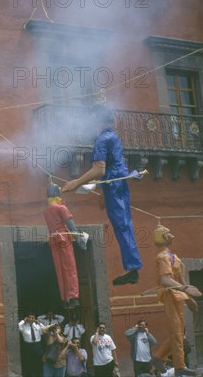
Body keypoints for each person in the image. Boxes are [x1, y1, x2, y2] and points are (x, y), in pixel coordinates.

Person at [61, 103, 142, 286]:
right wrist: (103, 194)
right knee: (125, 224)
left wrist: (75, 183)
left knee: (122, 226)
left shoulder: (102, 140)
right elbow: (113, 169)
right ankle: (132, 266)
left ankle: (133, 268)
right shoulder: (113, 137)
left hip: (114, 186)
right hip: (119, 185)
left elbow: (99, 170)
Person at [150, 225, 201, 377]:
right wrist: (186, 290)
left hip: (178, 296)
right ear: (163, 237)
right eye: (168, 233)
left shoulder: (172, 256)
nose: (172, 235)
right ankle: (178, 365)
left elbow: (181, 280)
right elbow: (165, 280)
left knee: (178, 333)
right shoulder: (162, 257)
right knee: (177, 333)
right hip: (170, 295)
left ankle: (158, 358)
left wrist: (189, 298)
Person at [44, 181, 87, 308]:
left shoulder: (46, 210)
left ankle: (64, 299)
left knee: (60, 269)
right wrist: (80, 241)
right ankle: (73, 297)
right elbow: (71, 227)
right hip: (63, 238)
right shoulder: (61, 208)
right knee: (70, 269)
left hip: (53, 239)